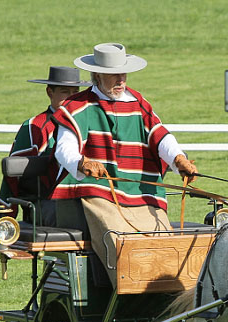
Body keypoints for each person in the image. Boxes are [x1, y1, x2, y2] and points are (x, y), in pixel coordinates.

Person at [51, 43, 198, 287]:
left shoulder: (138, 102)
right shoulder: (76, 106)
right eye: (114, 75)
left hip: (142, 191)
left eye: (123, 74)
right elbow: (64, 150)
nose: (121, 80)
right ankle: (129, 292)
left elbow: (160, 135)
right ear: (97, 75)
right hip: (99, 192)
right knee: (120, 240)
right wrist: (83, 162)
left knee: (164, 242)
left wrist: (178, 159)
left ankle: (168, 293)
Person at [0, 66, 91, 219]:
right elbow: (11, 176)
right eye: (64, 92)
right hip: (46, 205)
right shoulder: (33, 127)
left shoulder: (87, 123)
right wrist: (6, 217)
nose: (71, 98)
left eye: (75, 92)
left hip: (86, 200)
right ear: (49, 92)